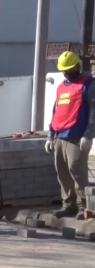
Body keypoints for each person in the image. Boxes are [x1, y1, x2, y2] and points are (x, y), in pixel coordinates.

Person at [46, 51, 95, 219]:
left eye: (68, 69)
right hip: (60, 135)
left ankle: (83, 206)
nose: (66, 72)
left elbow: (93, 112)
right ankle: (68, 204)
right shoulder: (61, 87)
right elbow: (56, 112)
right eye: (64, 70)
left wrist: (89, 136)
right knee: (62, 171)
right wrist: (50, 135)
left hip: (77, 136)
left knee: (76, 169)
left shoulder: (89, 85)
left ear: (77, 67)